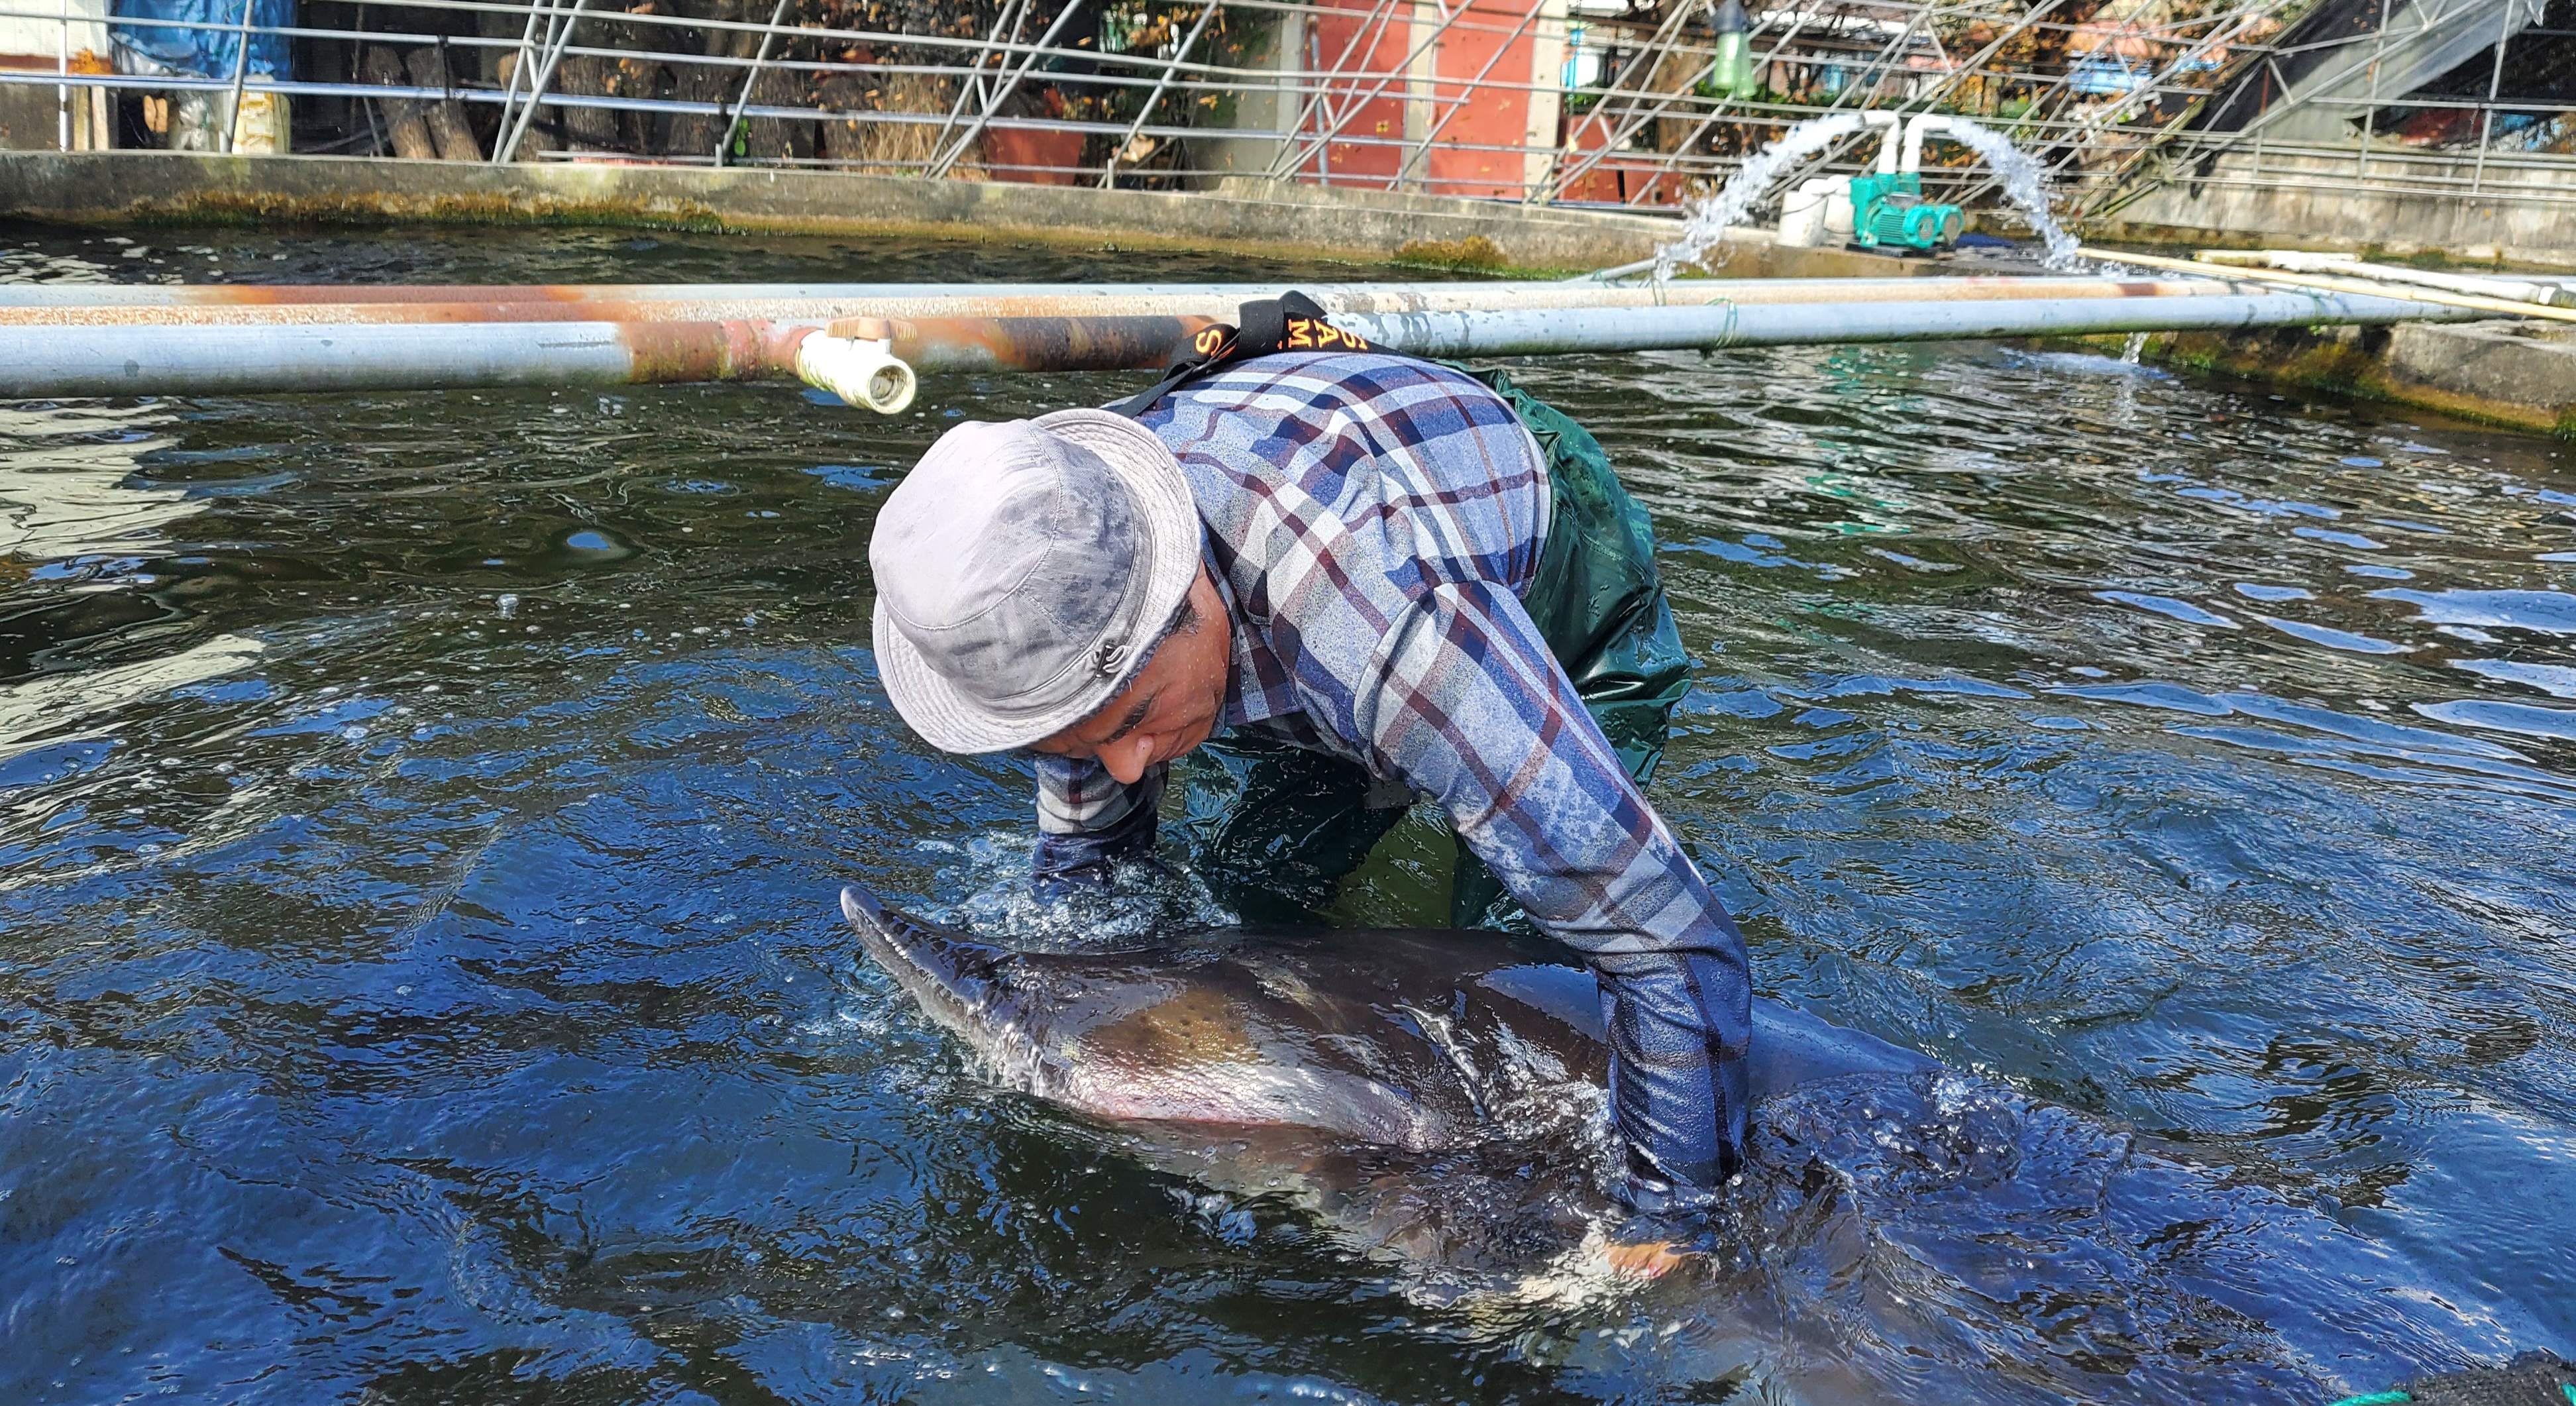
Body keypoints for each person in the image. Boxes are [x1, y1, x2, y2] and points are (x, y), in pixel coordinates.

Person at [865, 323, 1752, 1218]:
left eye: (1135, 720)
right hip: (1312, 551)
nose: (1126, 766)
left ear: (1194, 598)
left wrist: (1669, 1215)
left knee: (1529, 977)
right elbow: (1092, 873)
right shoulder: (1052, 554)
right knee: (1253, 900)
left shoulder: (1398, 632)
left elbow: (1669, 941)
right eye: (1070, 740)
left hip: (1538, 553)